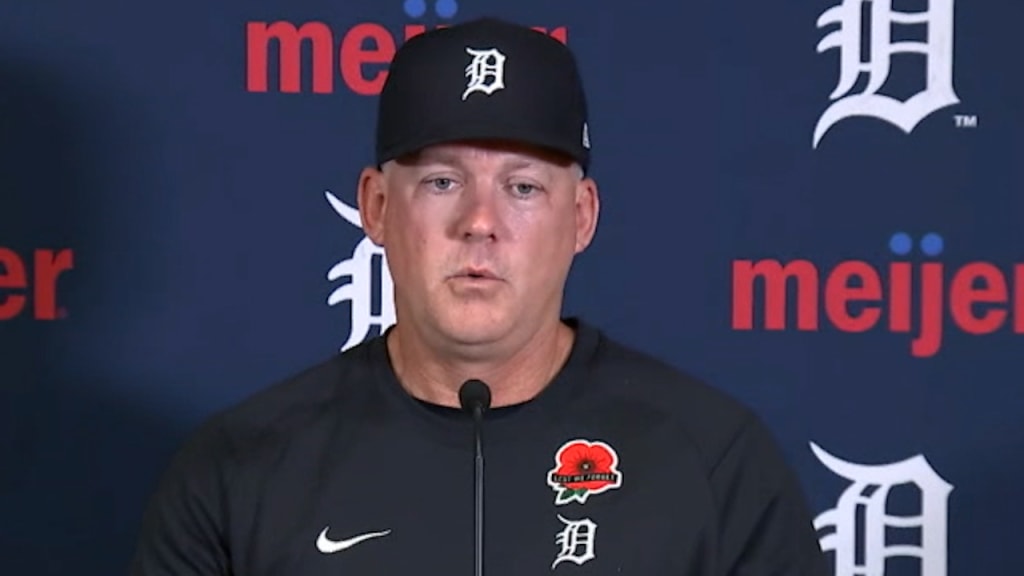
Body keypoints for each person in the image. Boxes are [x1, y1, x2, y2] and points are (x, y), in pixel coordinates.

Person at [129, 17, 830, 576]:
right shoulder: (242, 465)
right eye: (442, 182)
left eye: (523, 188)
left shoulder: (713, 460)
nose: (480, 223)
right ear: (375, 208)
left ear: (582, 217)